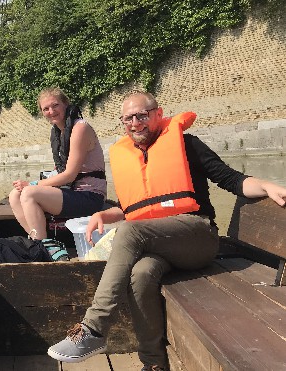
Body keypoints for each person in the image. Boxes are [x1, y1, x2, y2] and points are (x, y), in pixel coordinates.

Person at [46, 90, 286, 370]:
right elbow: (129, 208)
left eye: (141, 115)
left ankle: (94, 328)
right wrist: (102, 214)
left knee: (130, 232)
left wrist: (267, 185)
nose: (135, 123)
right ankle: (154, 364)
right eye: (128, 119)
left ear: (158, 114)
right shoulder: (129, 157)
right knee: (141, 273)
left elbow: (232, 179)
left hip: (197, 236)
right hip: (162, 244)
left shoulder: (187, 145)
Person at [9, 87, 107, 261]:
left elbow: (69, 175)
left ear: (66, 104)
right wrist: (30, 184)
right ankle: (43, 244)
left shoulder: (80, 129)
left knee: (29, 193)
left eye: (55, 105)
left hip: (90, 196)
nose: (51, 111)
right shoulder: (59, 132)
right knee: (14, 195)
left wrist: (32, 185)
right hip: (71, 193)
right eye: (46, 109)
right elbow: (59, 170)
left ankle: (42, 249)